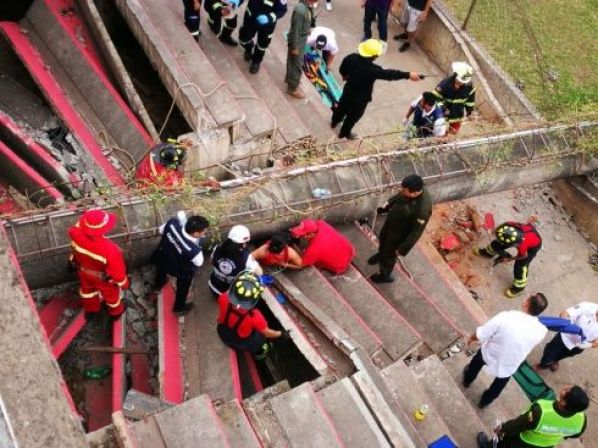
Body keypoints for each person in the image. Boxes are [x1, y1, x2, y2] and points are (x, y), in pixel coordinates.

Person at [463, 293, 548, 409]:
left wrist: (472, 338)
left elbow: (483, 333)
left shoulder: (506, 317)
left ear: (526, 304)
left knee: (475, 365)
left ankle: (467, 380)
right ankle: (484, 402)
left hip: (490, 354)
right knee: (498, 385)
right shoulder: (541, 331)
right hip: (510, 364)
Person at [331, 39, 422, 140]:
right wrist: (408, 75)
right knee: (353, 117)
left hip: (348, 91)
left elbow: (342, 68)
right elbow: (390, 74)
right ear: (374, 56)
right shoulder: (373, 70)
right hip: (360, 99)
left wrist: (345, 76)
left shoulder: (351, 57)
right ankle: (343, 133)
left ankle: (334, 122)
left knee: (341, 108)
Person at [476, 385, 588, 448]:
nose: (566, 386)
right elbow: (574, 434)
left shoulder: (541, 412)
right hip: (546, 446)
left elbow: (517, 425)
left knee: (503, 444)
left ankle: (488, 446)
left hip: (523, 442)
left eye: (567, 391)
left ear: (563, 403)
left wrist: (502, 428)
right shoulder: (581, 420)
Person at [368, 175, 432, 283]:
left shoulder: (422, 210)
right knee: (383, 239)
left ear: (415, 193)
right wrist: (389, 203)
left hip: (399, 233)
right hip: (393, 222)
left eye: (404, 190)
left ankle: (385, 274)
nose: (401, 191)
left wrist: (402, 249)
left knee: (389, 254)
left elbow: (416, 233)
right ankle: (381, 254)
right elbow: (400, 195)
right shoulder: (414, 186)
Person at [68, 209, 129, 318]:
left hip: (83, 271)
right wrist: (124, 284)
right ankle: (116, 313)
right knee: (111, 297)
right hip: (102, 278)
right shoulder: (110, 250)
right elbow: (118, 275)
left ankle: (92, 310)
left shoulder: (74, 233)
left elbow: (78, 228)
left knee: (87, 291)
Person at [217, 271, 285, 359]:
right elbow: (268, 333)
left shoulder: (223, 297)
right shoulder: (254, 316)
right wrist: (281, 334)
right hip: (239, 342)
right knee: (261, 338)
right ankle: (259, 353)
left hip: (222, 332)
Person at [153, 211, 210, 315]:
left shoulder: (172, 223)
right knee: (182, 289)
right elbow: (198, 263)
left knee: (160, 272)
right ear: (196, 233)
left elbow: (161, 230)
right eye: (203, 232)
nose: (204, 234)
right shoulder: (195, 252)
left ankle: (157, 286)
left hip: (163, 257)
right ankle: (178, 308)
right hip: (180, 270)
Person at [473, 220, 542, 298]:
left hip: (534, 245)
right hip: (527, 234)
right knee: (498, 243)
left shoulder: (522, 245)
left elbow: (524, 256)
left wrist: (510, 259)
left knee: (520, 265)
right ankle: (488, 253)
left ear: (515, 244)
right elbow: (504, 225)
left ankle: (519, 288)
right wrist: (496, 231)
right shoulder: (510, 225)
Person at [535, 301, 598, 372]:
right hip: (563, 338)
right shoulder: (587, 306)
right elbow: (564, 313)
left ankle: (554, 361)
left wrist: (589, 345)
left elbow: (596, 343)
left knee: (562, 356)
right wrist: (565, 325)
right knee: (549, 353)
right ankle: (542, 365)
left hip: (577, 347)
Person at [135, 139, 220, 189]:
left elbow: (172, 143)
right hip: (150, 189)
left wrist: (183, 143)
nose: (184, 164)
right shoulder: (167, 178)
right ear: (171, 165)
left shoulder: (158, 153)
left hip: (143, 177)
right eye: (181, 163)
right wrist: (206, 183)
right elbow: (185, 187)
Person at [209, 225, 262, 296]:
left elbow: (211, 261)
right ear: (243, 243)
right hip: (229, 294)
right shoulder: (246, 257)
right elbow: (260, 273)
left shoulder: (217, 248)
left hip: (213, 286)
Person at [238, 0, 287, 74]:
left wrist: (269, 18)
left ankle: (256, 62)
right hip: (250, 19)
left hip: (267, 25)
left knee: (262, 46)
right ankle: (249, 47)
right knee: (243, 39)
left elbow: (282, 10)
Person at [289, 219, 355, 274]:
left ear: (311, 234)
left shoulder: (313, 250)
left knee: (310, 261)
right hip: (350, 250)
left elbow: (300, 265)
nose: (302, 236)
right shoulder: (321, 223)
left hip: (340, 266)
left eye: (303, 235)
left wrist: (283, 264)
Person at [433, 61, 476, 134]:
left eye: (464, 82)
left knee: (452, 134)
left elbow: (470, 101)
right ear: (455, 75)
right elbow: (435, 97)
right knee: (438, 132)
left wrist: (470, 112)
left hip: (457, 114)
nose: (461, 83)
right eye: (460, 80)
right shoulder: (445, 84)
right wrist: (443, 108)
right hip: (442, 114)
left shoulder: (470, 87)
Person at [285, 0, 317, 99]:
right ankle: (292, 88)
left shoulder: (307, 6)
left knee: (292, 61)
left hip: (301, 38)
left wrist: (307, 30)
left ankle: (289, 79)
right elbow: (295, 30)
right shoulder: (300, 11)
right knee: (297, 64)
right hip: (297, 41)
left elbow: (305, 22)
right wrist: (295, 47)